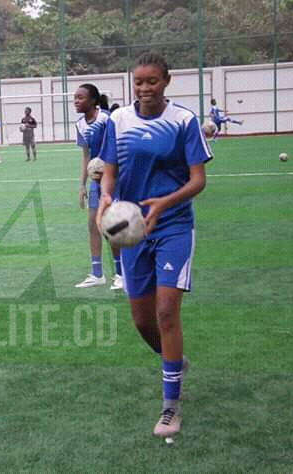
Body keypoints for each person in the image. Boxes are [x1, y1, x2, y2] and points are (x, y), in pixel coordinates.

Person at [97, 53, 212, 438]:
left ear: (167, 81)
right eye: (138, 82)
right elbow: (109, 171)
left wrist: (164, 203)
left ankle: (170, 408)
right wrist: (105, 198)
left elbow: (198, 180)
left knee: (165, 315)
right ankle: (175, 364)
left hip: (174, 226)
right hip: (132, 230)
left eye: (152, 82)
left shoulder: (183, 121)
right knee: (142, 322)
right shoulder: (118, 120)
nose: (144, 89)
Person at [74, 84, 122, 291]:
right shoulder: (80, 124)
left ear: (93, 101)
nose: (76, 101)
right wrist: (82, 185)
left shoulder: (107, 118)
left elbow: (119, 145)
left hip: (113, 178)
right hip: (95, 182)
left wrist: (109, 169)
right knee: (94, 224)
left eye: (80, 98)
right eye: (75, 98)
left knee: (112, 226)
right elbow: (86, 156)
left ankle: (121, 274)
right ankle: (97, 274)